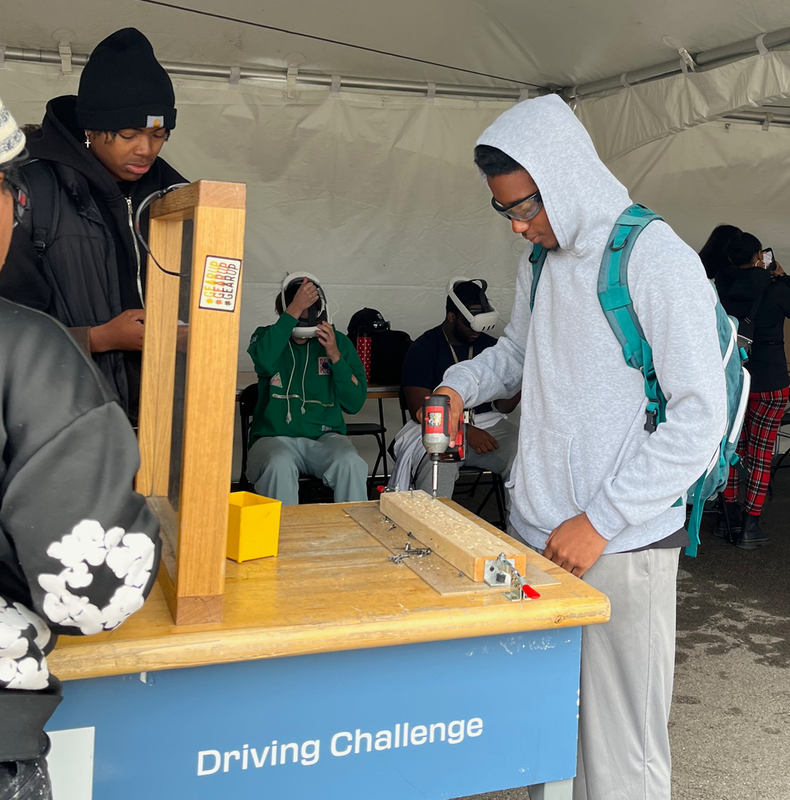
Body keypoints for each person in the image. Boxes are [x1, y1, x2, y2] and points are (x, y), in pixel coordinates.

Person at [432, 96, 726, 800]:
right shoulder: (541, 263)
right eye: (505, 212)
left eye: (525, 207)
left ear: (564, 175)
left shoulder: (655, 258)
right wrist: (457, 385)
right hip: (535, 542)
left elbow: (698, 419)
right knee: (544, 743)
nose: (520, 225)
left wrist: (599, 522)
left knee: (622, 755)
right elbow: (516, 356)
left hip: (622, 544)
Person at [0, 100, 161, 799]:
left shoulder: (150, 199)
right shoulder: (24, 351)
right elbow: (92, 591)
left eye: (160, 130)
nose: (146, 146)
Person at [0, 28, 186, 424]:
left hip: (159, 426)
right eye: (128, 133)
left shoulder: (177, 198)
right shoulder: (30, 191)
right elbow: (8, 327)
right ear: (90, 130)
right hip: (62, 423)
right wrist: (99, 338)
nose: (146, 149)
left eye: (158, 134)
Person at [390, 279, 519, 500]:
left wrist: (523, 378)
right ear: (452, 317)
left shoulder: (492, 347)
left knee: (526, 454)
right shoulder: (424, 348)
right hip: (439, 427)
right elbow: (419, 410)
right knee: (440, 457)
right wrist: (467, 432)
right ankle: (432, 527)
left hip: (488, 424)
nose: (477, 332)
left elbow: (502, 405)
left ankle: (518, 532)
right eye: (470, 324)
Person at [246, 275, 369, 505]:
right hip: (273, 438)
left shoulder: (338, 342)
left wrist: (334, 356)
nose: (305, 319)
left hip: (324, 438)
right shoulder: (267, 336)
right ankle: (282, 539)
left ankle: (352, 537)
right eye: (298, 312)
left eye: (309, 311)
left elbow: (354, 403)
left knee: (350, 463)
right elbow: (263, 362)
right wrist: (293, 312)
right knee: (279, 463)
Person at [715, 232, 790, 548]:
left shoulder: (718, 287)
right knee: (761, 453)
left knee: (732, 447)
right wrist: (783, 277)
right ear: (760, 256)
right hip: (770, 381)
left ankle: (726, 518)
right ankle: (750, 525)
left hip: (732, 379)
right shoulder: (775, 288)